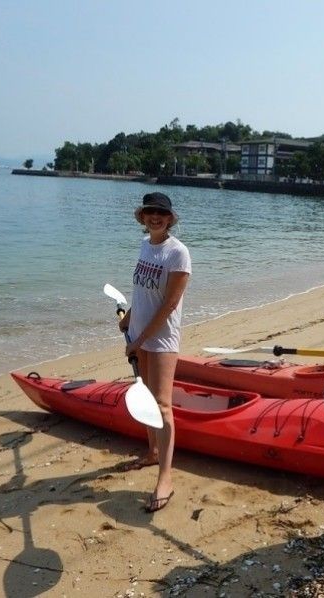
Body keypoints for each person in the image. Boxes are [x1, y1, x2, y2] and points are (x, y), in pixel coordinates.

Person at [118, 192, 191, 513]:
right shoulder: (146, 245)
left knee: (162, 406)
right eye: (150, 212)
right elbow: (142, 290)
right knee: (146, 399)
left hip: (161, 339)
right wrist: (130, 320)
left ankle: (166, 478)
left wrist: (140, 339)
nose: (155, 217)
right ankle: (152, 453)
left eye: (161, 213)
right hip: (139, 335)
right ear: (143, 217)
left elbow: (169, 303)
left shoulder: (178, 253)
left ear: (170, 218)